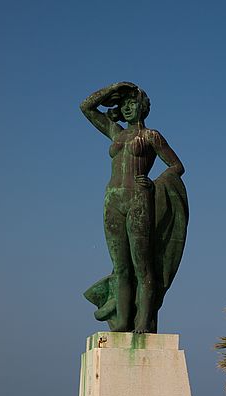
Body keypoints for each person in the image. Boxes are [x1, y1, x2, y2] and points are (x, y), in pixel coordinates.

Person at [80, 82, 188, 333]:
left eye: (132, 104)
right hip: (112, 200)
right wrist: (114, 88)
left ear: (143, 107)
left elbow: (177, 166)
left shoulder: (152, 136)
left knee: (142, 265)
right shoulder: (115, 132)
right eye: (124, 105)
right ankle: (123, 321)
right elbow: (86, 107)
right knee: (121, 267)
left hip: (138, 199)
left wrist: (154, 183)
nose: (127, 109)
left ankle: (143, 322)